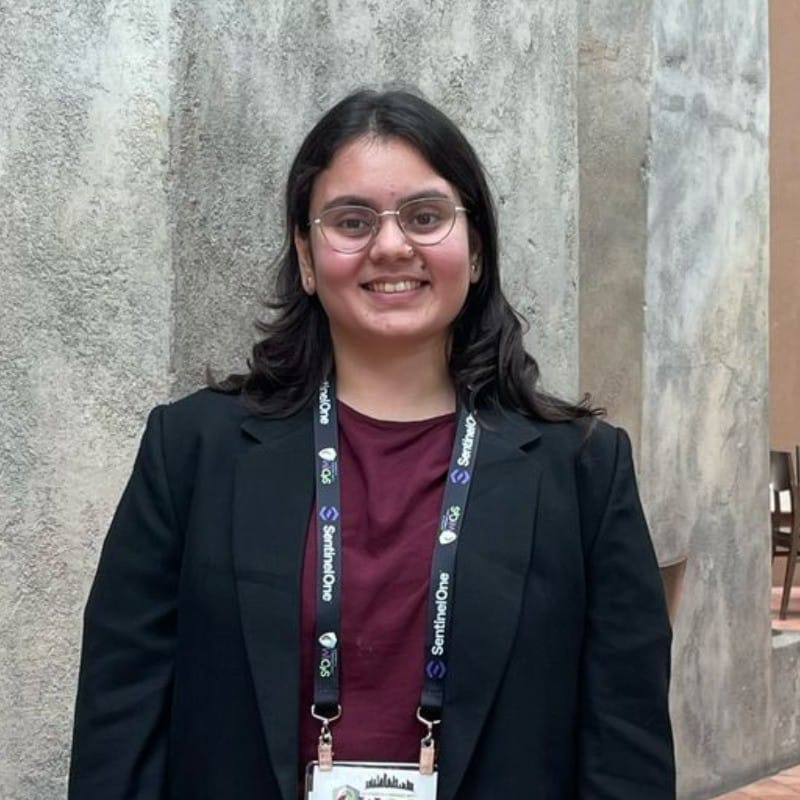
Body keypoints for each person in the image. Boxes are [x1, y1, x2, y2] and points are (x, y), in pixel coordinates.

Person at [68, 88, 675, 799]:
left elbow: (625, 752)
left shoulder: (584, 473)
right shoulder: (193, 452)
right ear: (305, 254)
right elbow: (120, 730)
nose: (392, 245)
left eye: (425, 216)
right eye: (352, 220)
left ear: (475, 249)